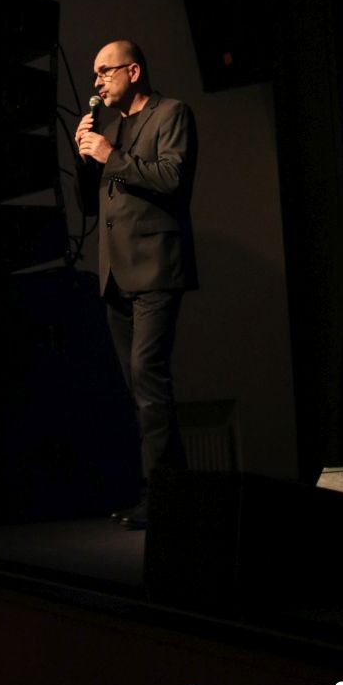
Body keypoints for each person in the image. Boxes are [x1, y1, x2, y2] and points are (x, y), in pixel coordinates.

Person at [74, 40, 198, 528]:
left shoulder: (171, 114)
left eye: (105, 71)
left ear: (133, 71)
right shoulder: (112, 128)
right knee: (137, 387)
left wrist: (110, 154)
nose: (98, 82)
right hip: (117, 273)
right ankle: (168, 494)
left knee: (149, 377)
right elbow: (93, 206)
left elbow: (172, 178)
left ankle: (165, 498)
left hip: (155, 268)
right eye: (95, 74)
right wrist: (86, 158)